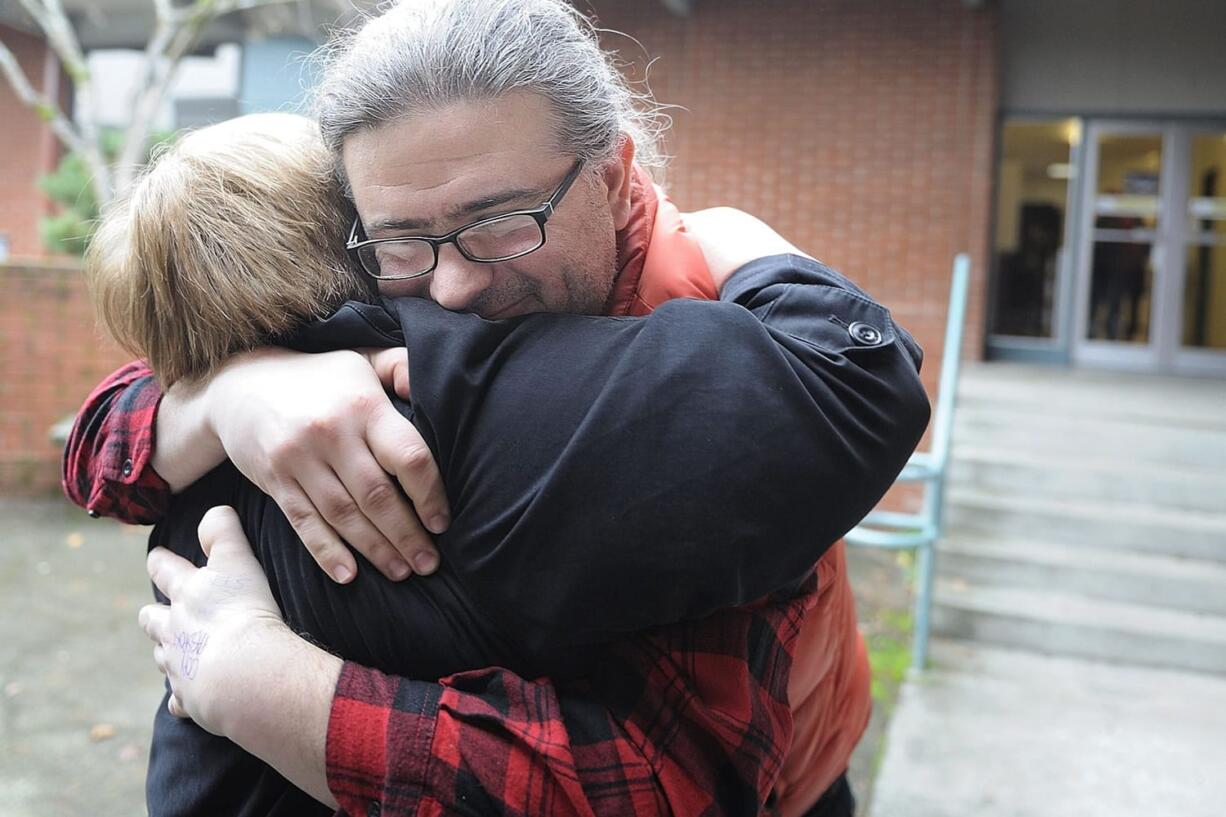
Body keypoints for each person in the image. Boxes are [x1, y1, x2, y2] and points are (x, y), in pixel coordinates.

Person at [65, 1, 929, 814]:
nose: (453, 285)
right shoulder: (370, 314)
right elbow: (104, 439)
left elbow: (673, 784)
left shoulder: (708, 370)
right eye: (404, 240)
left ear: (616, 175)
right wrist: (227, 396)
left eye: (504, 220)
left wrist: (264, 686)